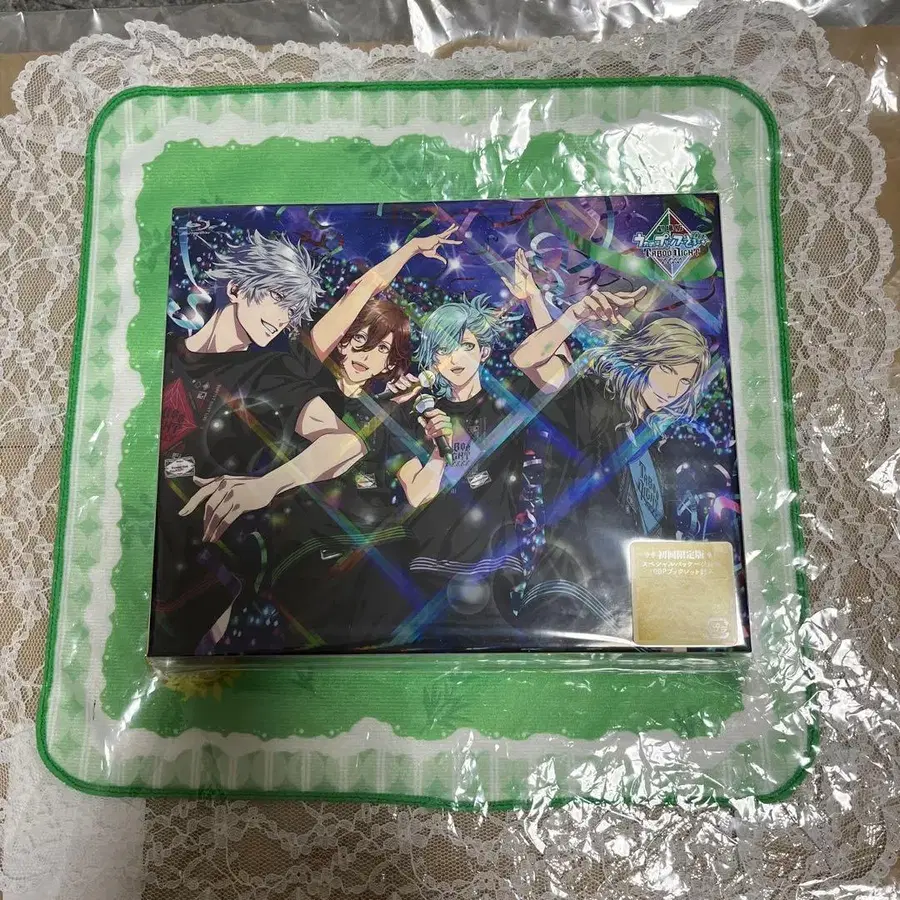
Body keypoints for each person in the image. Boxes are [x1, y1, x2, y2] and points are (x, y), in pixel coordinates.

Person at [153, 225, 457, 656]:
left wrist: (439, 449)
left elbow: (361, 453)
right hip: (181, 545)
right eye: (361, 341)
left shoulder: (282, 373)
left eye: (383, 352)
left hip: (271, 557)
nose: (282, 316)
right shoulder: (170, 353)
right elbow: (359, 293)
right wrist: (408, 250)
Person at [509, 283, 711, 642]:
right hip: (571, 596)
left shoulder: (653, 445)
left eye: (684, 381)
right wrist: (573, 315)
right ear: (644, 358)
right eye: (667, 370)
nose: (673, 388)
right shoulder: (592, 402)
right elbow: (527, 360)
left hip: (629, 609)